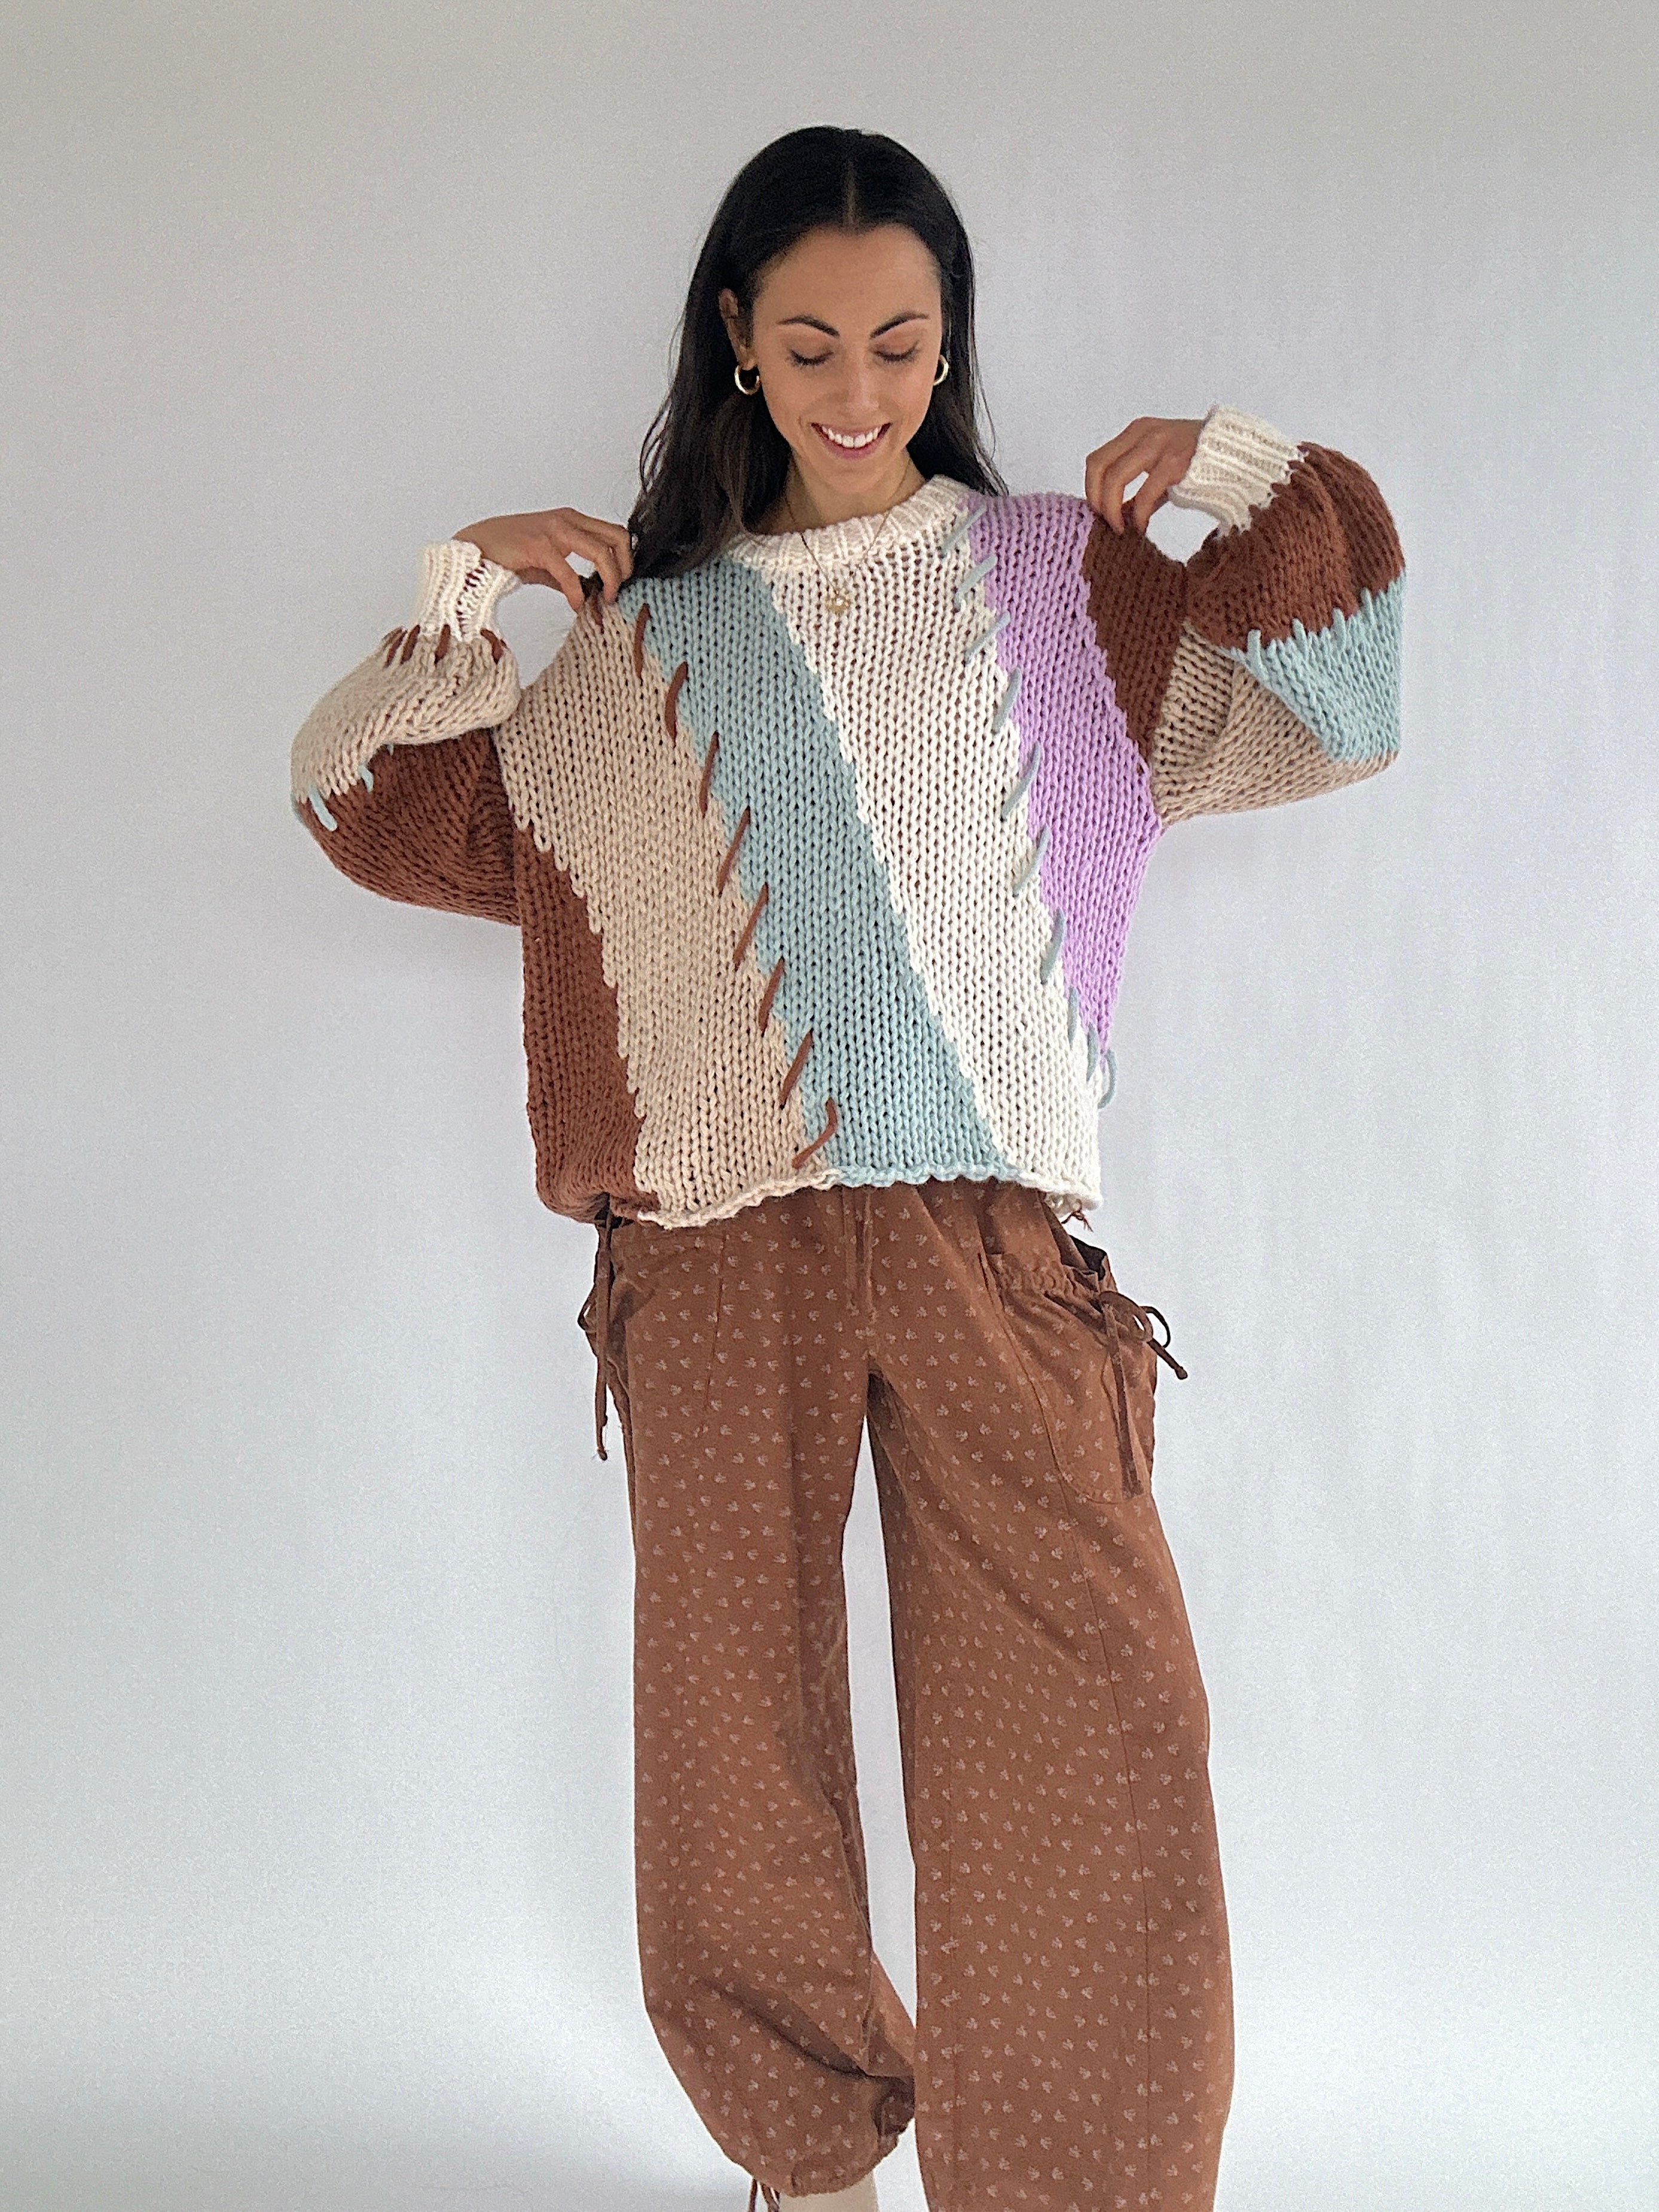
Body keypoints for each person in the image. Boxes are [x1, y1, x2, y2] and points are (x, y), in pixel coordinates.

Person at [289, 123, 1404, 2212]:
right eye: (811, 344)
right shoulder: (645, 649)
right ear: (737, 337)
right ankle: (810, 2160)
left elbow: (1338, 707)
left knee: (1093, 1712)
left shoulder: (1068, 589)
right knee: (735, 1736)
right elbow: (371, 810)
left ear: (950, 339)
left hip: (992, 1239)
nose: (860, 386)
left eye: (901, 340)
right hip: (709, 1250)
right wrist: (464, 585)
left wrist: (1246, 478)